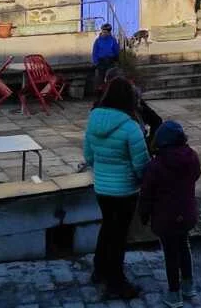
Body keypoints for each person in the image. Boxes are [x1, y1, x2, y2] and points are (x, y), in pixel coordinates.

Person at [84, 77, 150, 300]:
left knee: (107, 228)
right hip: (125, 190)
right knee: (119, 236)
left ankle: (99, 269)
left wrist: (104, 170)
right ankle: (116, 282)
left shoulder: (93, 120)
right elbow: (141, 164)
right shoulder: (131, 127)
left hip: (102, 188)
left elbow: (88, 156)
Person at [139, 120, 201, 308]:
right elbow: (197, 174)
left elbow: (146, 194)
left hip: (165, 217)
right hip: (187, 212)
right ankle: (188, 285)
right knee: (184, 246)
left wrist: (143, 215)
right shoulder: (192, 157)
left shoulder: (156, 166)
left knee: (171, 254)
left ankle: (174, 294)